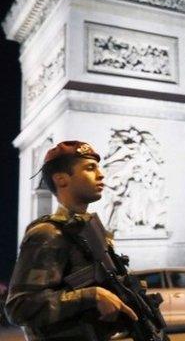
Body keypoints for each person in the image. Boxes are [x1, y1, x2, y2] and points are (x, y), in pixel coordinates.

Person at [5, 141, 138, 340]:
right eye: (90, 168)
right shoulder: (48, 234)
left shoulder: (94, 234)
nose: (101, 174)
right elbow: (19, 307)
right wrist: (90, 296)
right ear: (61, 179)